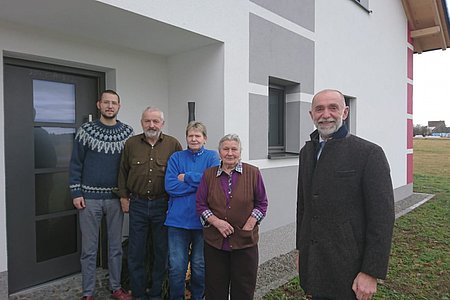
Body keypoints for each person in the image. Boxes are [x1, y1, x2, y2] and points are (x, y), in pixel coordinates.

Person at [296, 89, 395, 300]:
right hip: (314, 262)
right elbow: (303, 206)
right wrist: (302, 250)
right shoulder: (307, 153)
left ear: (345, 112)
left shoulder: (368, 154)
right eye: (319, 109)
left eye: (333, 108)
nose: (326, 114)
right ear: (311, 114)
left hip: (349, 268)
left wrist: (371, 271)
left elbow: (382, 217)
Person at [69, 90, 134, 300]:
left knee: (115, 247)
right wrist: (76, 191)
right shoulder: (85, 131)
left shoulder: (127, 133)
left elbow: (130, 167)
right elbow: (75, 163)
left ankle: (116, 287)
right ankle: (88, 292)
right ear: (99, 104)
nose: (109, 106)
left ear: (119, 106)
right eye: (106, 102)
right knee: (89, 249)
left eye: (114, 103)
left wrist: (127, 195)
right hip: (89, 199)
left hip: (116, 199)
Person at [118, 107, 182, 300]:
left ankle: (155, 293)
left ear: (162, 124)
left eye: (155, 121)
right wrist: (123, 197)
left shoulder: (173, 144)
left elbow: (179, 174)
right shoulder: (131, 144)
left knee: (161, 252)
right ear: (142, 122)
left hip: (163, 205)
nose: (151, 125)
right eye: (147, 121)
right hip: (137, 204)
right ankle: (138, 294)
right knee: (136, 251)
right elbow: (122, 171)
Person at [196, 134, 268, 300]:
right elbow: (200, 204)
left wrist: (249, 225)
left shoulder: (253, 173)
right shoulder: (208, 175)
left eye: (234, 149)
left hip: (245, 243)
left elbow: (262, 203)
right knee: (215, 291)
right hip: (215, 244)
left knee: (243, 290)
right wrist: (216, 222)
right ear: (219, 152)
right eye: (225, 149)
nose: (230, 153)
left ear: (240, 151)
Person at [164, 121, 220, 300]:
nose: (194, 139)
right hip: (177, 221)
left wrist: (186, 177)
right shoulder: (176, 157)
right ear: (186, 137)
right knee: (176, 266)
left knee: (199, 265)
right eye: (190, 136)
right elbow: (170, 186)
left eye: (198, 136)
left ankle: (198, 297)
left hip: (203, 221)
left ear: (205, 138)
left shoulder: (212, 157)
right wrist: (200, 183)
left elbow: (213, 184)